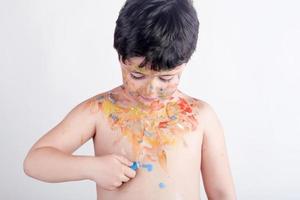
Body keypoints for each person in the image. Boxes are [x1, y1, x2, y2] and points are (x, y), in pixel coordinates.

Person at [23, 0, 236, 199]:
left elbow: (221, 193)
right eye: (137, 75)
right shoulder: (100, 111)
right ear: (120, 58)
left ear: (185, 63)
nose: (151, 89)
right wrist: (92, 168)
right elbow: (35, 161)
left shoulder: (201, 117)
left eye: (166, 78)